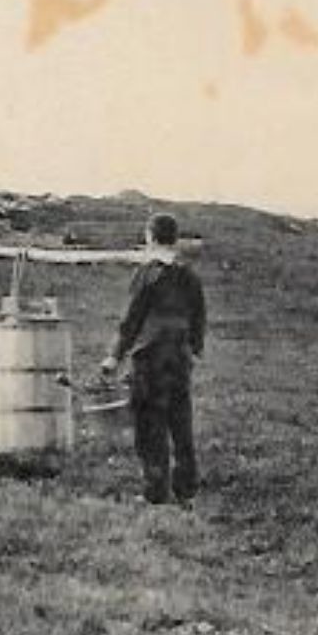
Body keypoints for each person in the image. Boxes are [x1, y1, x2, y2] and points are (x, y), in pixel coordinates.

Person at [100, 213, 207, 506]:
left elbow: (131, 319)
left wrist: (114, 356)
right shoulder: (189, 276)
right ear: (174, 239)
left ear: (150, 237)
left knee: (150, 423)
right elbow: (199, 316)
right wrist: (194, 348)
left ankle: (156, 490)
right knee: (180, 421)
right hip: (180, 357)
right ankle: (186, 488)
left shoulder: (147, 274)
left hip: (151, 358)